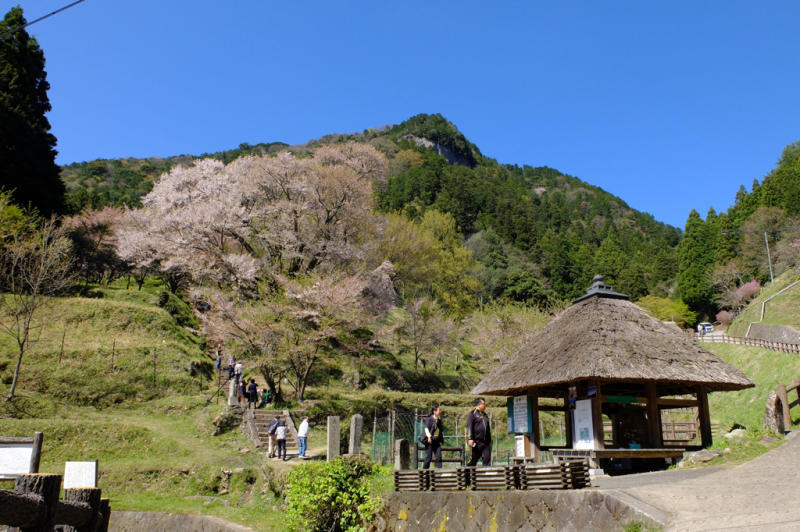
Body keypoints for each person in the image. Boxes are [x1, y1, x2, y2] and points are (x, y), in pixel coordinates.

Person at [467, 397, 491, 466]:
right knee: (473, 460)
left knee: (487, 459)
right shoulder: (472, 414)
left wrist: (489, 440)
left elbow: (487, 428)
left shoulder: (485, 415)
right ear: (478, 404)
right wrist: (470, 438)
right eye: (483, 404)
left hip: (486, 443)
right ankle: (467, 474)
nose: (485, 405)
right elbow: (469, 426)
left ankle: (487, 475)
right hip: (476, 442)